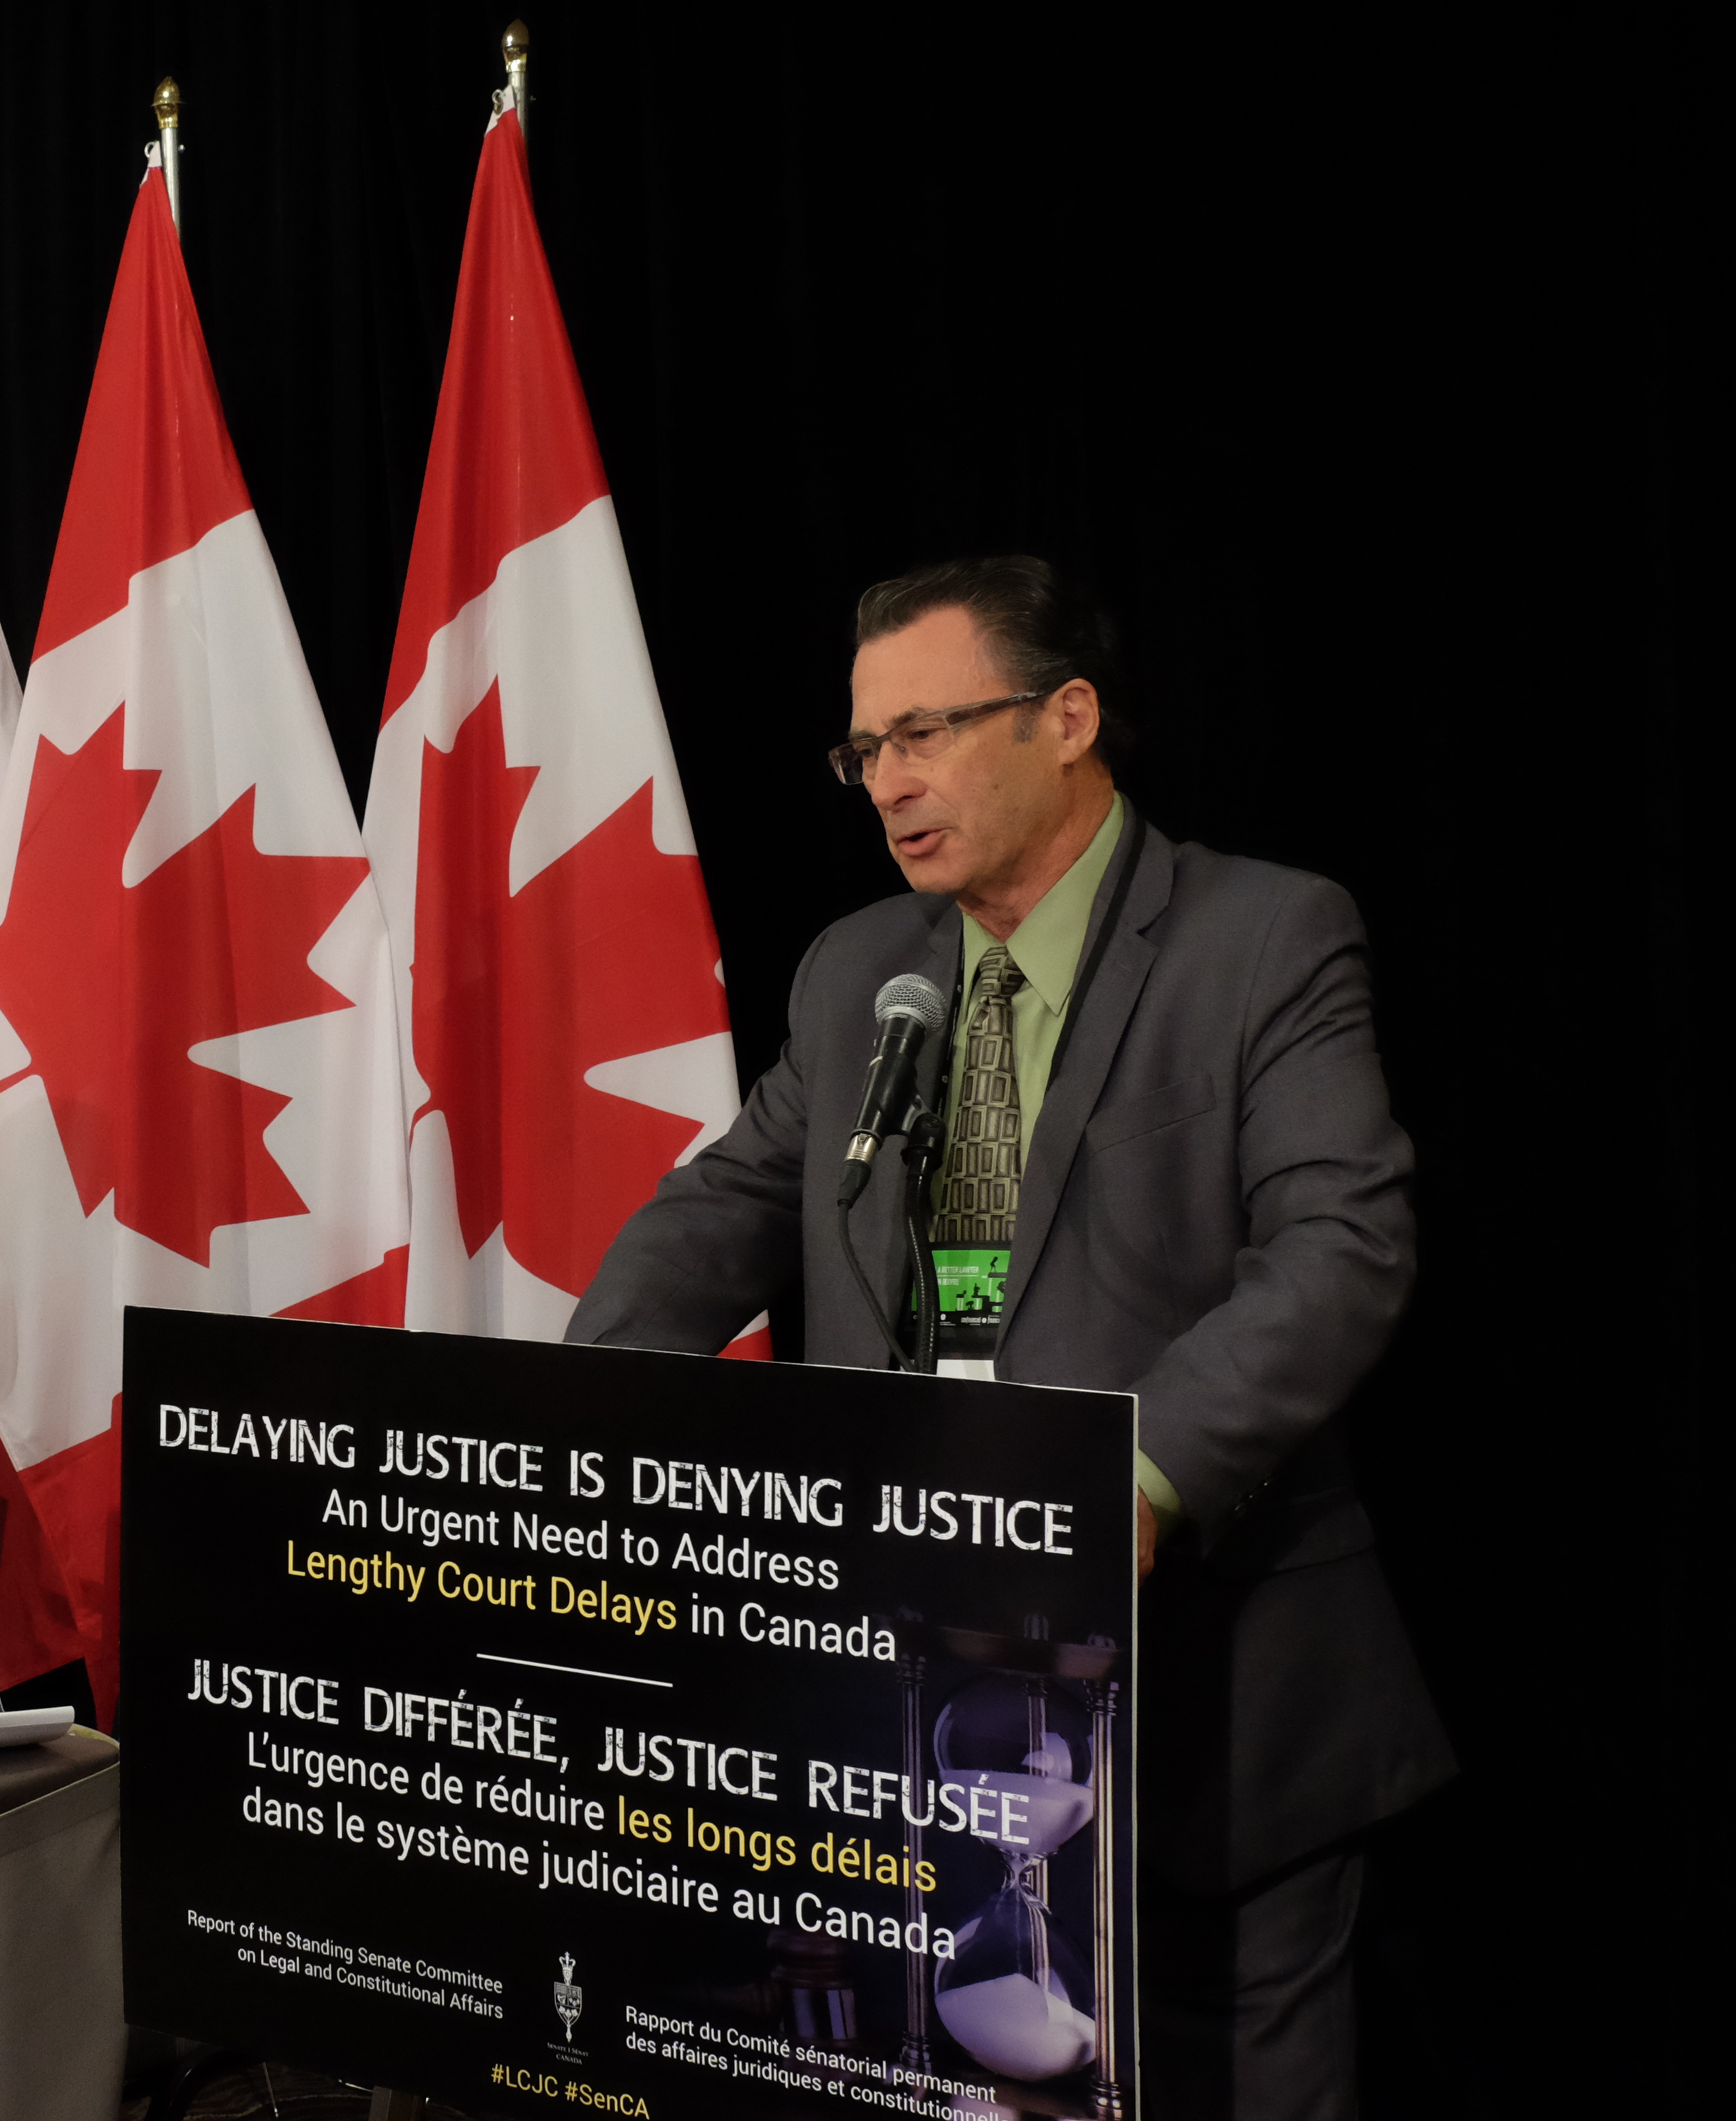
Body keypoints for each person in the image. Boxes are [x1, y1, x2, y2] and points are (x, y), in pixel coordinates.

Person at [569, 558, 1453, 2121]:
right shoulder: (865, 975)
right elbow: (730, 1208)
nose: (889, 783)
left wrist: (1144, 1476)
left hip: (1209, 1706)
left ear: (1068, 718)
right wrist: (571, 1408)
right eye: (865, 751)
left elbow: (1340, 1246)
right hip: (920, 1721)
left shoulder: (1261, 939)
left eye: (927, 731)